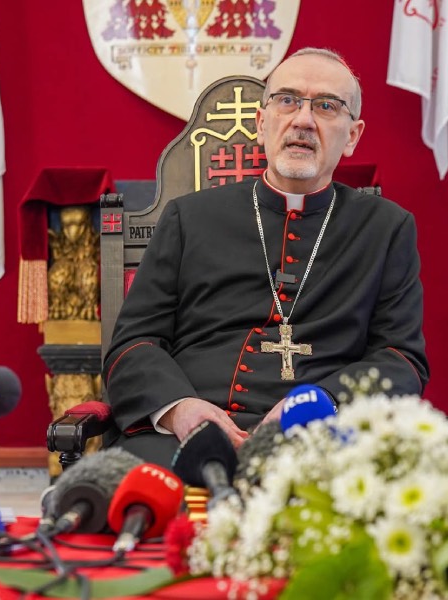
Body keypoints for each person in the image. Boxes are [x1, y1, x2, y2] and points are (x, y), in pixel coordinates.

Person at [102, 47, 428, 467]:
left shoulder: (386, 228)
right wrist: (181, 410)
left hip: (324, 444)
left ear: (352, 136)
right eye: (287, 100)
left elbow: (401, 359)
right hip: (187, 440)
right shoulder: (190, 217)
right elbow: (133, 343)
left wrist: (320, 403)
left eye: (327, 106)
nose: (303, 120)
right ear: (261, 122)